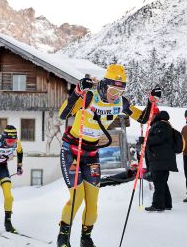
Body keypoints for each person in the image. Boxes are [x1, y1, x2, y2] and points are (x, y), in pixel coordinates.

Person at [56, 64, 158, 247]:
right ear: (104, 85)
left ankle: (86, 238)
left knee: (93, 203)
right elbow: (63, 114)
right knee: (77, 197)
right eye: (113, 90)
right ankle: (63, 237)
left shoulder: (121, 103)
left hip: (92, 154)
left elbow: (143, 118)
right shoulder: (89, 97)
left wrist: (151, 101)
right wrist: (77, 92)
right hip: (72, 151)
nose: (115, 96)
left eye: (120, 92)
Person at [144, 111, 178, 212]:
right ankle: (167, 204)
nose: (150, 117)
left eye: (151, 115)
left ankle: (158, 205)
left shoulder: (161, 124)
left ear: (155, 115)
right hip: (160, 159)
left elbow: (159, 138)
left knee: (158, 183)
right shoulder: (161, 124)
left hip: (160, 160)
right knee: (162, 182)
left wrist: (145, 140)